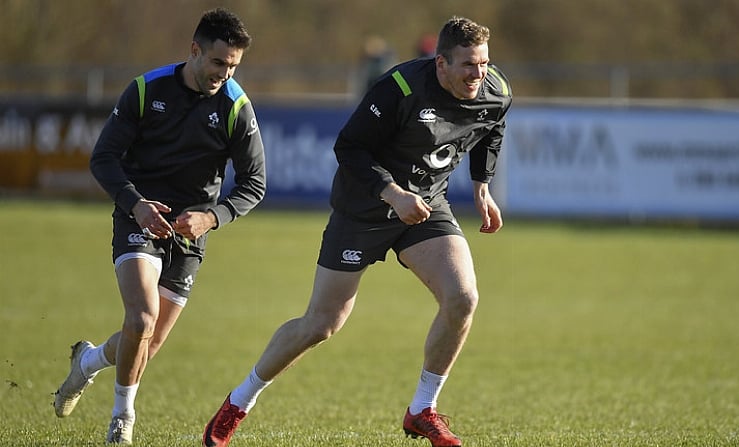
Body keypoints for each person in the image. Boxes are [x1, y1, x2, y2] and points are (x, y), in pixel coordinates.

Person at [202, 15, 511, 447]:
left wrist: (482, 186)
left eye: (483, 63)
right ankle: (238, 402)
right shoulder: (399, 88)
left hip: (424, 206)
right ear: (440, 63)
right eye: (468, 66)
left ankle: (423, 409)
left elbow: (491, 127)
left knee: (463, 298)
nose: (479, 75)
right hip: (363, 209)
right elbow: (349, 147)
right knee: (321, 324)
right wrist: (392, 194)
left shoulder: (495, 89)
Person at [52, 8, 265, 445]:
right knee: (142, 316)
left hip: (191, 234)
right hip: (139, 220)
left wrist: (211, 217)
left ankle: (88, 363)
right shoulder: (147, 90)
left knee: (144, 343)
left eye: (233, 67)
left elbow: (254, 184)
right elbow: (103, 158)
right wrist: (135, 205)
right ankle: (122, 418)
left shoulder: (235, 107)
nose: (224, 74)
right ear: (194, 51)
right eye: (218, 63)